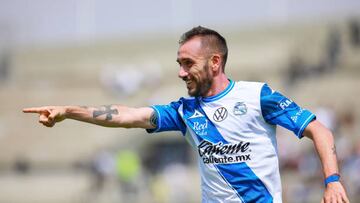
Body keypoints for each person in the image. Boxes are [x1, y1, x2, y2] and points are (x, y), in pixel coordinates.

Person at [23, 26, 349, 203]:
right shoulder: (184, 111)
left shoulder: (256, 96)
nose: (181, 73)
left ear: (215, 62)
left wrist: (332, 181)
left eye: (188, 64)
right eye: (179, 64)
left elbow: (319, 130)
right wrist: (70, 111)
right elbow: (127, 115)